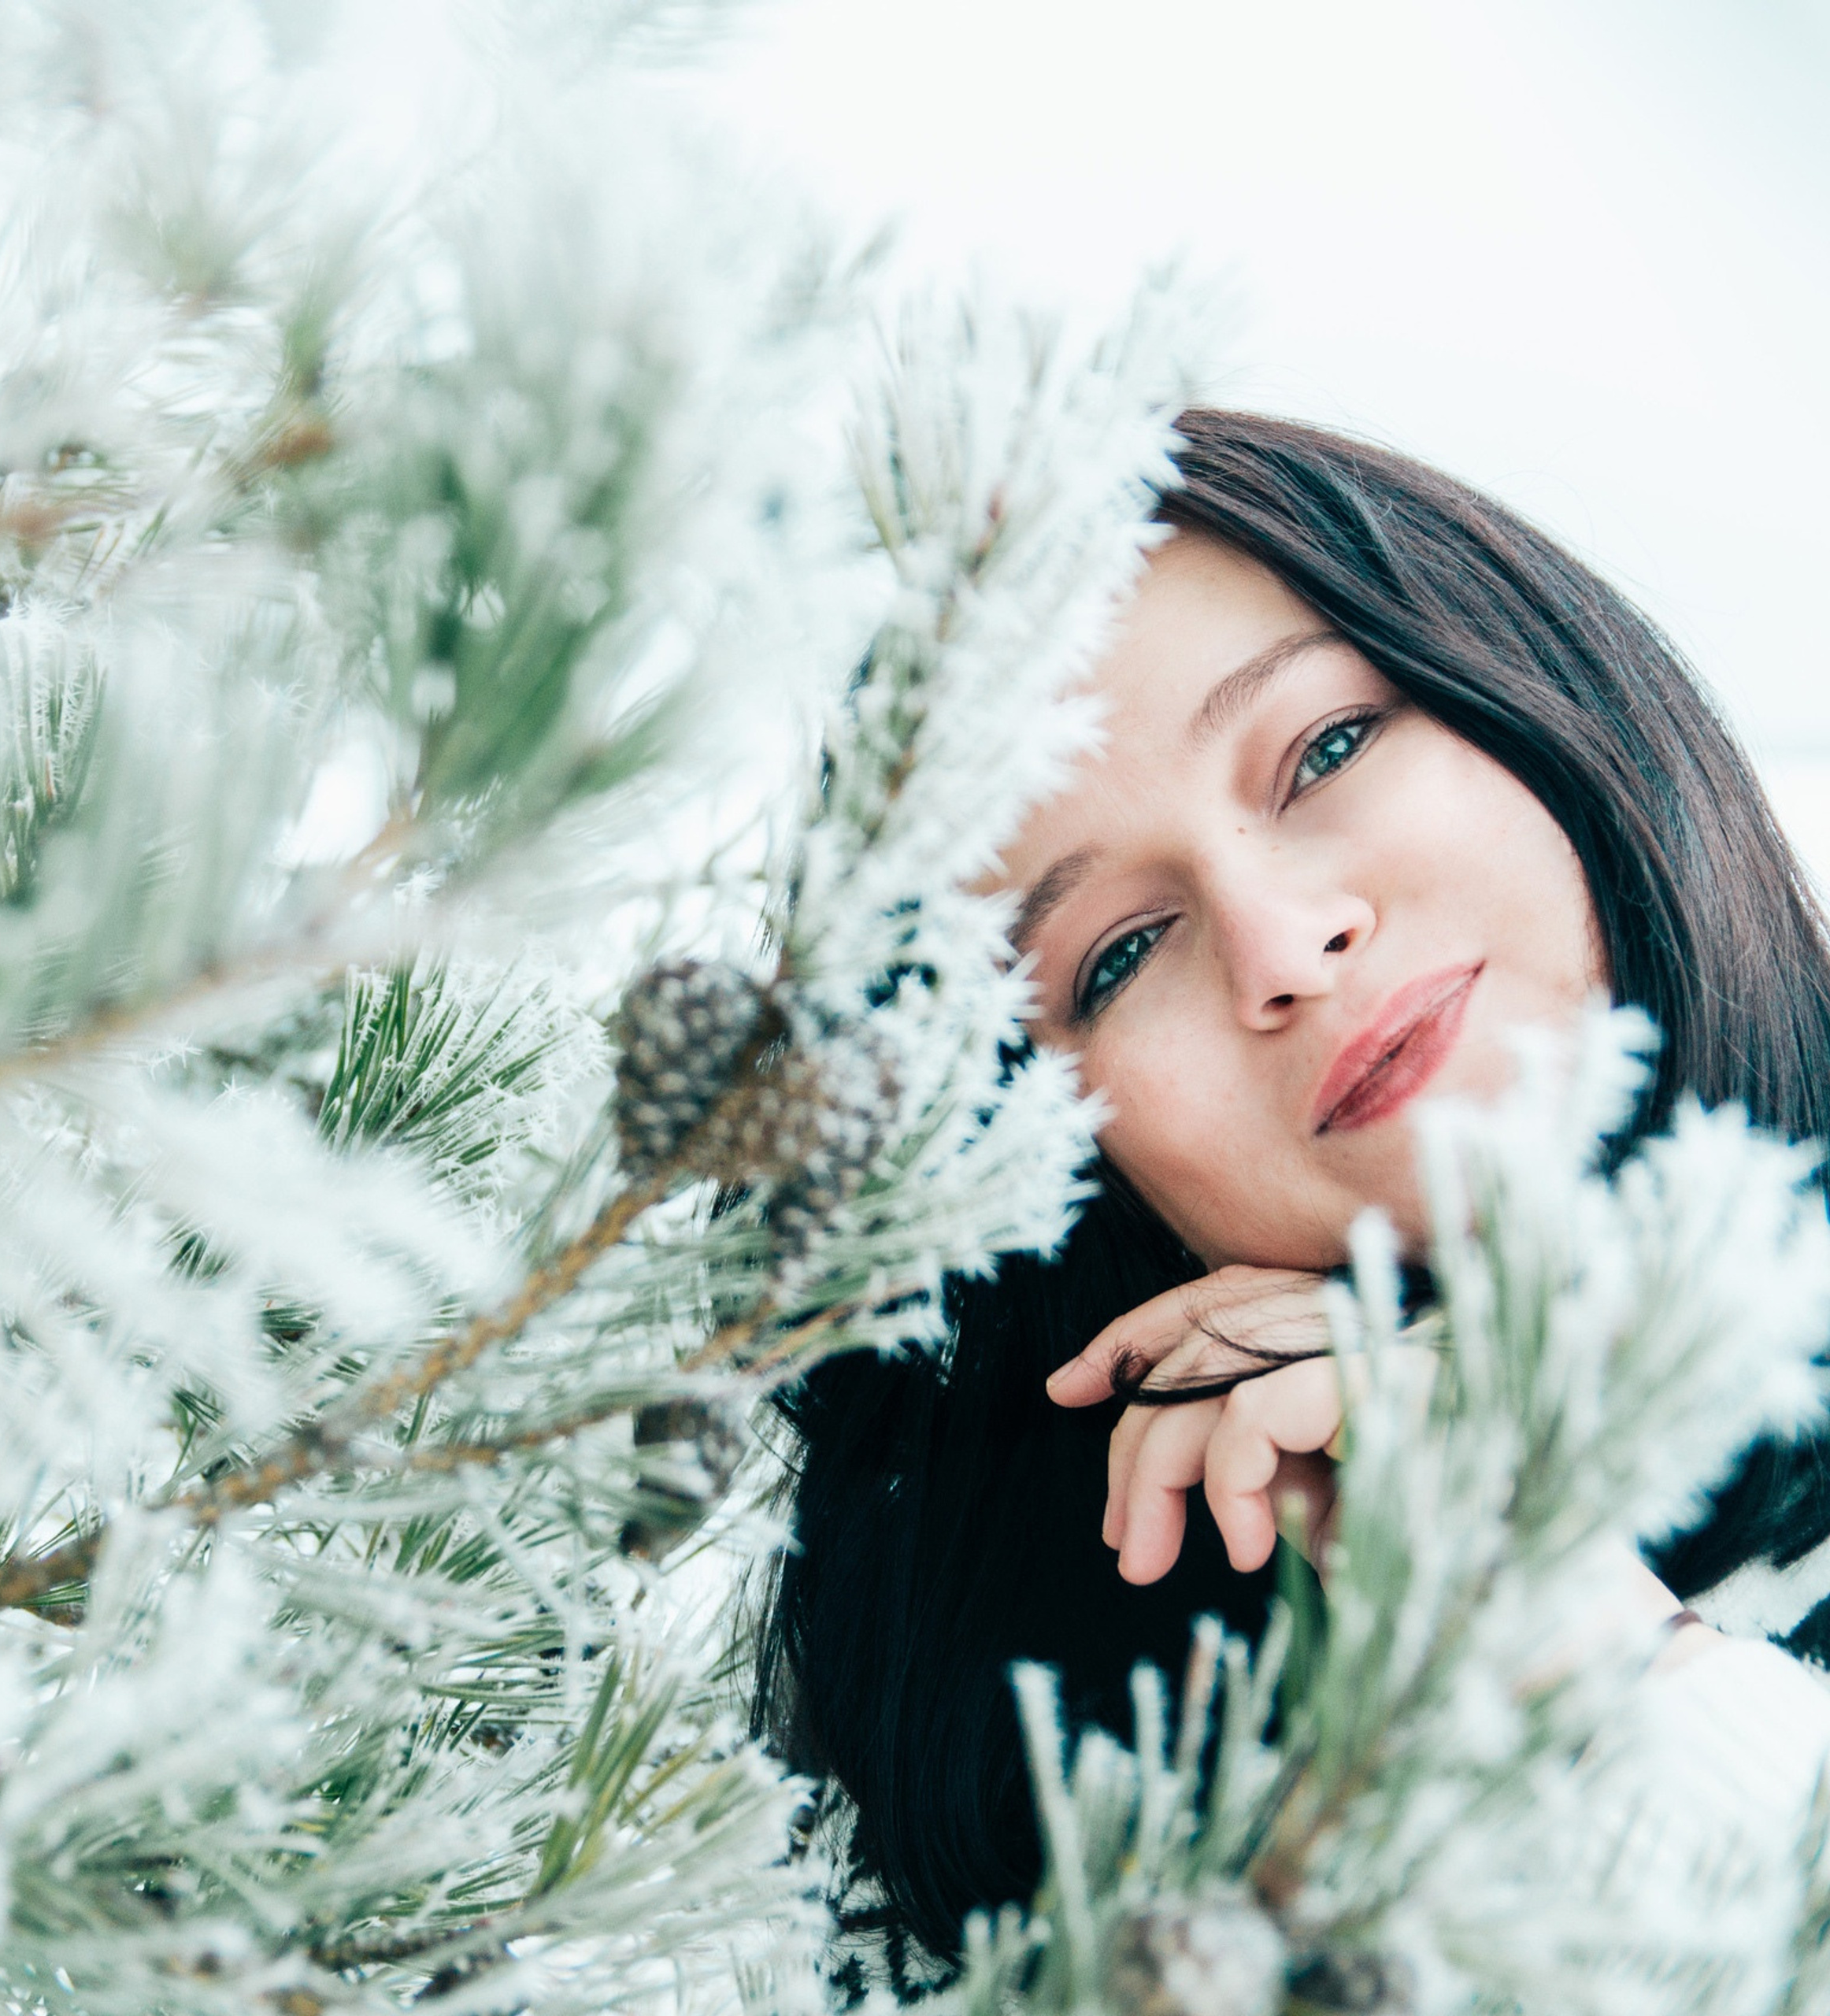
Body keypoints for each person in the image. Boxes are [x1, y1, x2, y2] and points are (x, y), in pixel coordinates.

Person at [753, 410, 1830, 1975]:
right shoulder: (1057, 1783)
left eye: (1323, 749)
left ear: (1533, 683)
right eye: (1115, 957)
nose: (1275, 941)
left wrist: (1570, 1641)